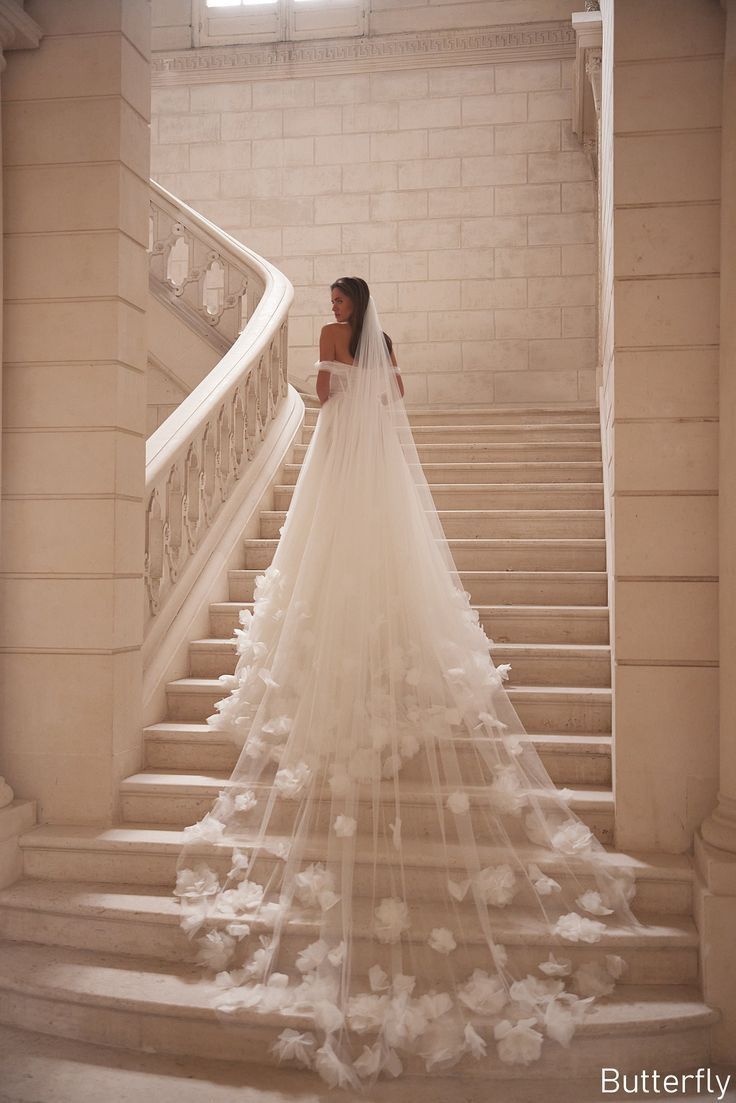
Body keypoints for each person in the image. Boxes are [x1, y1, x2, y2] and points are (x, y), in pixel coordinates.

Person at [173, 276, 644, 1090]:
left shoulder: (329, 340)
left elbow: (325, 396)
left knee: (336, 563)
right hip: (371, 471)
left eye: (337, 300)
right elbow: (389, 401)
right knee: (373, 566)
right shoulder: (381, 344)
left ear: (347, 302)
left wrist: (342, 382)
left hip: (339, 466)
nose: (334, 310)